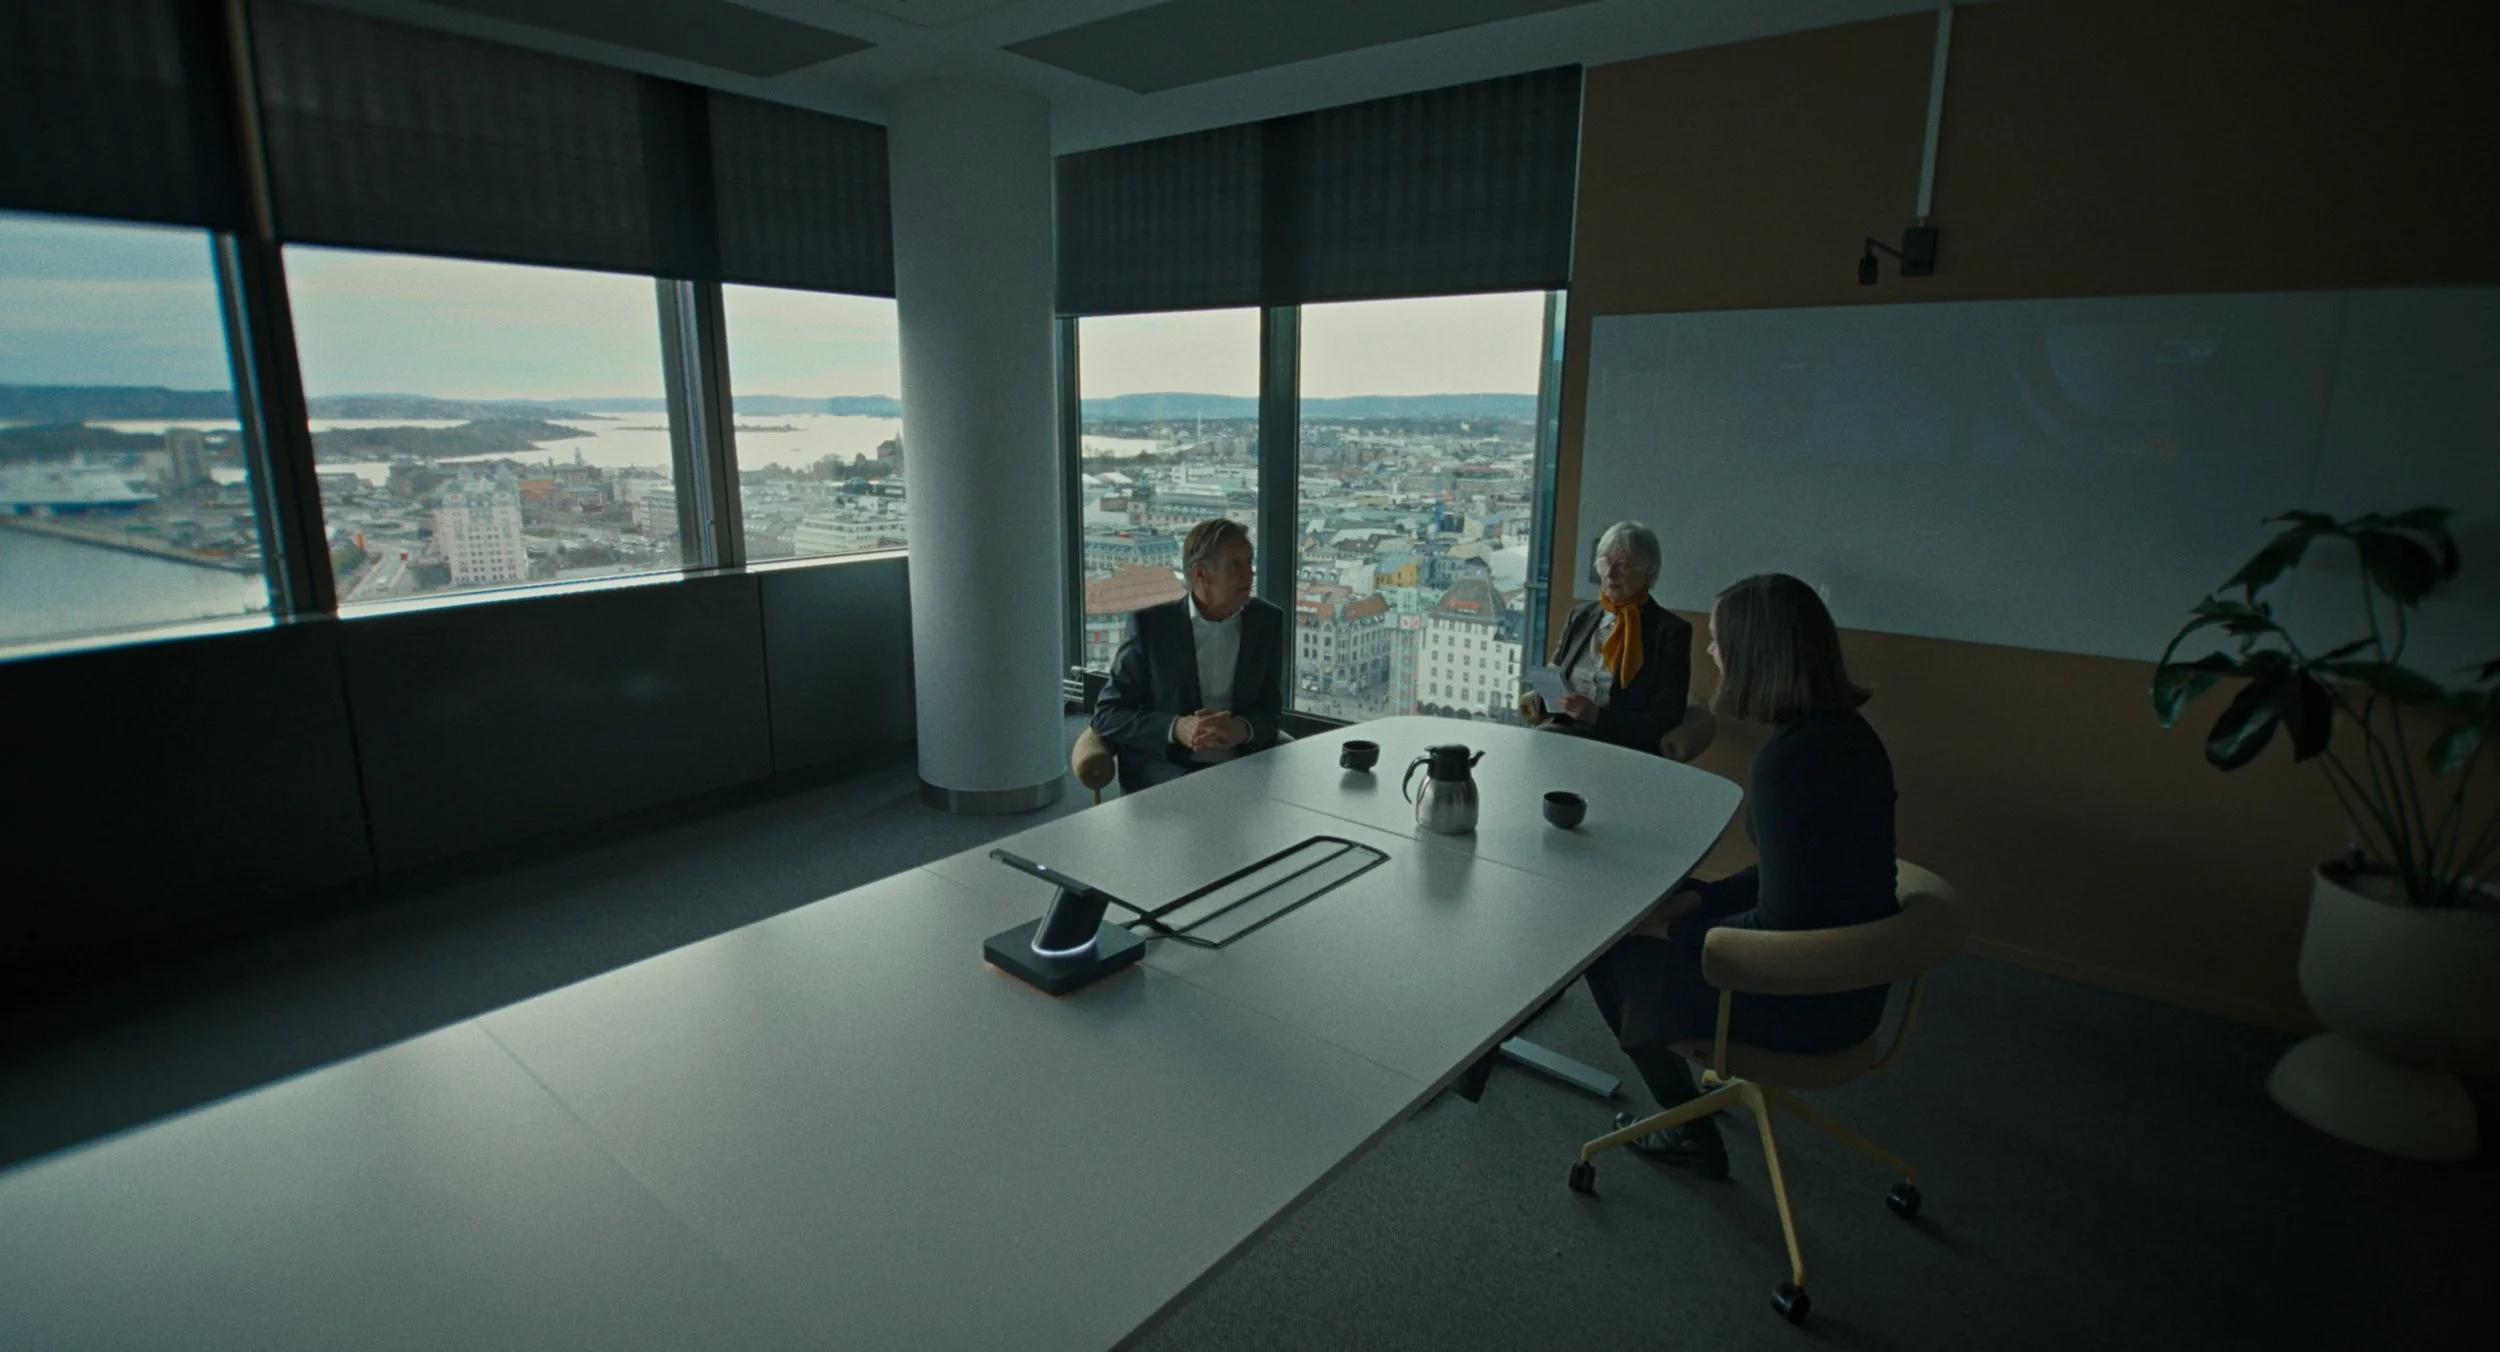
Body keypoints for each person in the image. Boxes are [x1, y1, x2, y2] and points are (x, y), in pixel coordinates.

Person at [1580, 572, 1899, 1177]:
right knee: (1651, 915)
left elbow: (1778, 921)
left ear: (1757, 652)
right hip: (1849, 977)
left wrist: (1672, 933)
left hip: (1804, 995)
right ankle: (1688, 1110)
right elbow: (1796, 877)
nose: (1710, 650)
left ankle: (1689, 1131)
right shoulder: (1844, 736)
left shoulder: (1788, 762)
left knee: (1608, 948)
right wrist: (1695, 901)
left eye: (1720, 639)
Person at [1090, 518, 1286, 793]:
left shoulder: (1266, 621)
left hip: (1243, 765)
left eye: (1249, 562)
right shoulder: (1152, 627)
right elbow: (1107, 715)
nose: (1249, 574)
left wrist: (1242, 728)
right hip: (1169, 770)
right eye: (1236, 565)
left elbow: (1270, 710)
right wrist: (1175, 727)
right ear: (1200, 574)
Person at [1527, 521, 1692, 754]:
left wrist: (1597, 716)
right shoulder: (1581, 615)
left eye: (1624, 565)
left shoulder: (1670, 632)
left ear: (1648, 571)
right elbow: (1557, 670)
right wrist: (1549, 688)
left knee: (1540, 742)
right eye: (1605, 563)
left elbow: (1663, 720)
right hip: (1566, 729)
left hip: (1619, 744)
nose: (1610, 574)